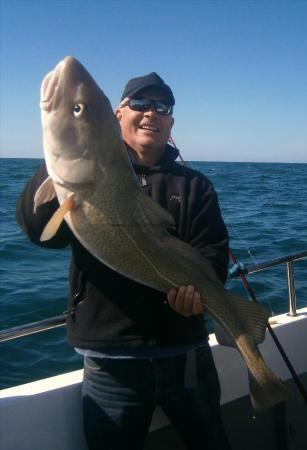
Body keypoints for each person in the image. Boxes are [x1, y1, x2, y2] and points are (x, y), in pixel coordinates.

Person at [16, 71, 231, 450]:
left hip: (185, 352)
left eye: (162, 107)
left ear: (171, 122)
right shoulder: (83, 173)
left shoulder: (195, 186)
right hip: (111, 360)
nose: (151, 113)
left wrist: (196, 297)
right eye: (140, 103)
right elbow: (40, 233)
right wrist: (61, 159)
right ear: (116, 115)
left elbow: (213, 255)